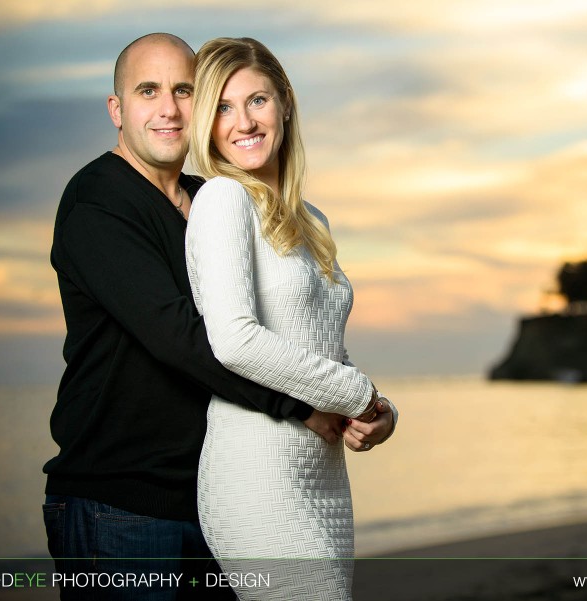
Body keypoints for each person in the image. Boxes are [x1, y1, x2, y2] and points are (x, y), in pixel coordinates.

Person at [44, 33, 396, 601]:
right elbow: (181, 337)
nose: (169, 109)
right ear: (117, 108)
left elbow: (288, 329)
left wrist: (368, 407)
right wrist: (303, 405)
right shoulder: (98, 199)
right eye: (147, 91)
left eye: (185, 90)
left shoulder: (206, 194)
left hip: (204, 489)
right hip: (120, 501)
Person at [184, 37, 395, 600]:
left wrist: (380, 414)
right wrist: (358, 394)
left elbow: (323, 348)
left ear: (286, 103)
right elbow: (232, 340)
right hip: (256, 476)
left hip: (321, 477)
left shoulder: (312, 218)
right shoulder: (223, 199)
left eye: (257, 100)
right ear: (206, 124)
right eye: (223, 108)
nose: (243, 121)